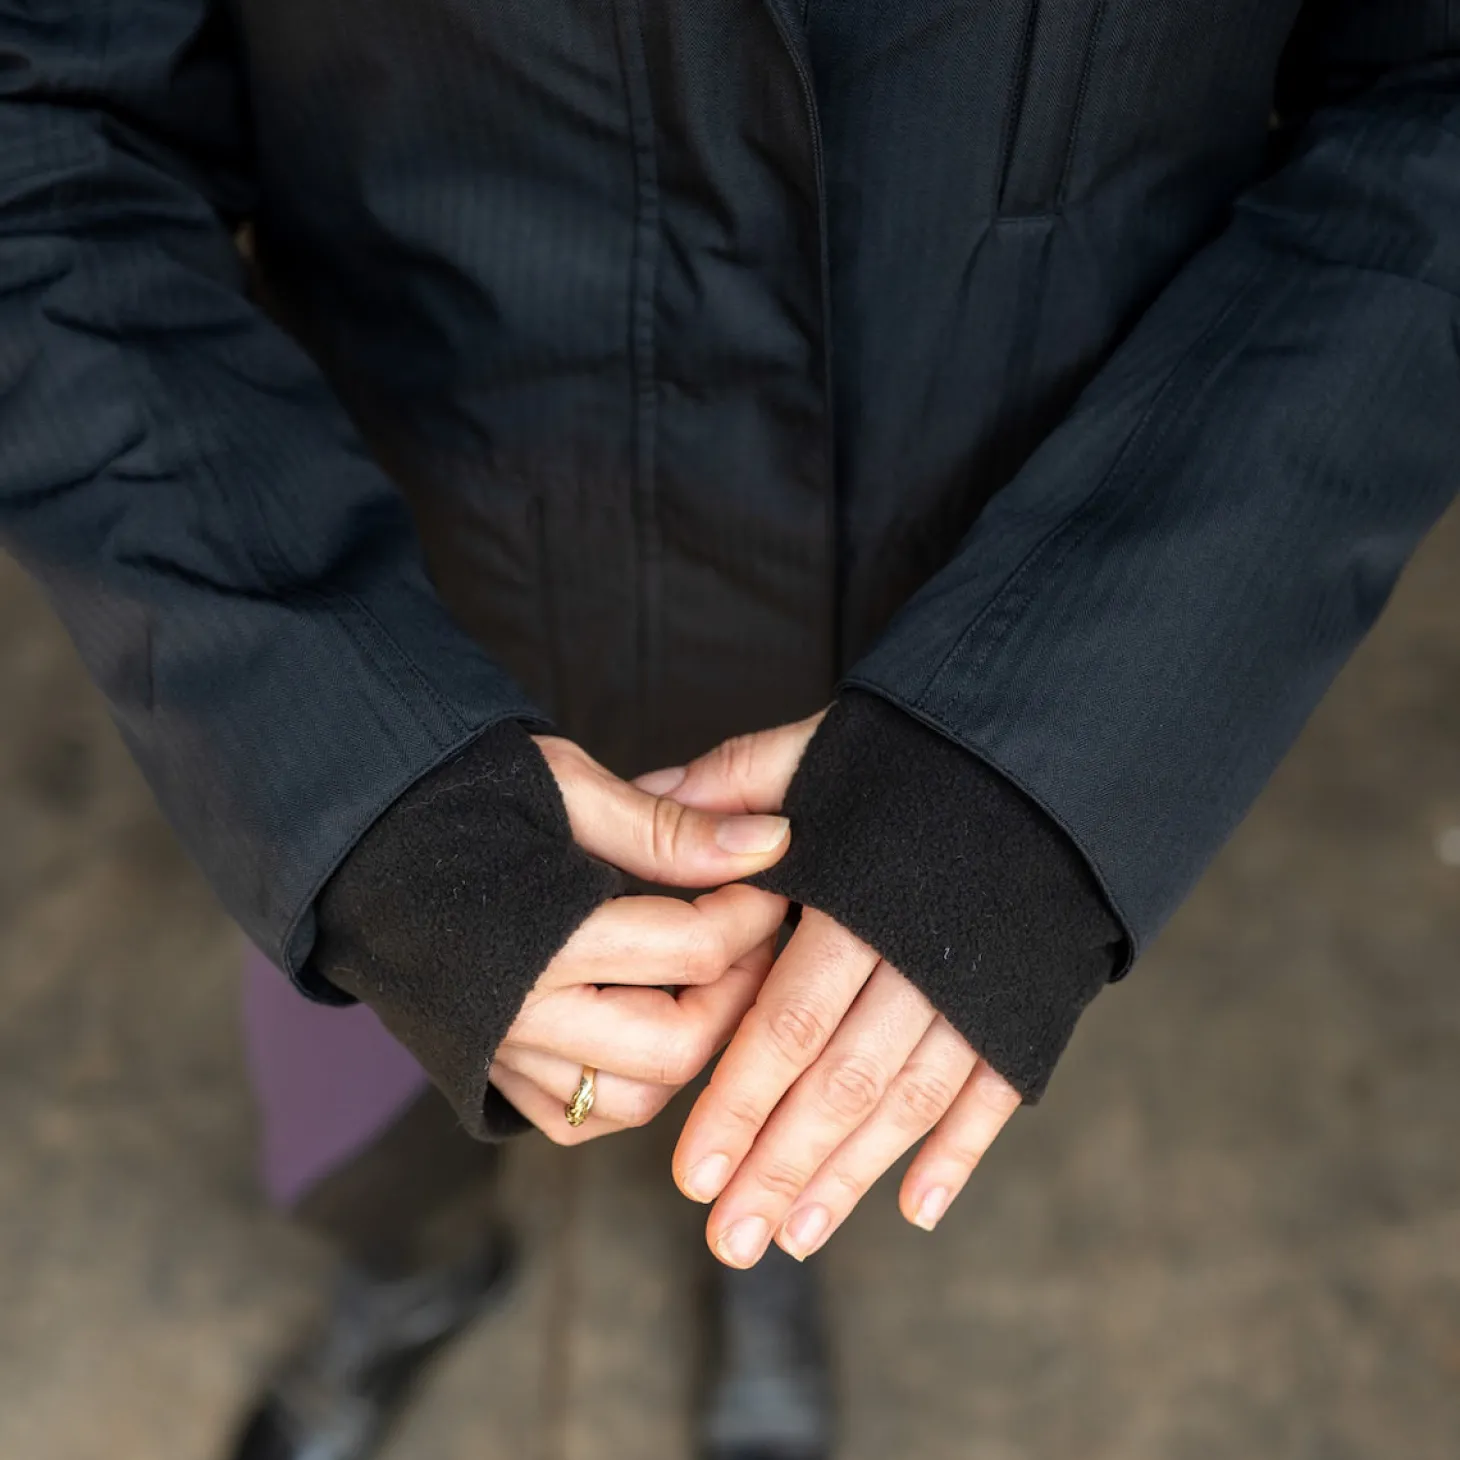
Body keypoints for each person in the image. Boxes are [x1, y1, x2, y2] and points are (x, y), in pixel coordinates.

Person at [2, 2, 1456, 1457]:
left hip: (956, 636)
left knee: (824, 1071)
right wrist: (330, 742)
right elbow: (43, 132)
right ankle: (408, 1267)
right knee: (362, 1089)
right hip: (404, 604)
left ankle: (750, 1236)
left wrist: (1074, 720)